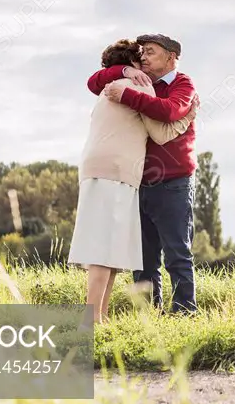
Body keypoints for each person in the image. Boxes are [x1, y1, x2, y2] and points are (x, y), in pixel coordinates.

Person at [70, 39, 197, 324]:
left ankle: (182, 312)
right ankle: (102, 318)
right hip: (121, 174)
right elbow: (161, 133)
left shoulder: (180, 84)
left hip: (162, 178)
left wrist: (123, 82)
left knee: (166, 251)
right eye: (143, 55)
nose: (147, 59)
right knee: (126, 252)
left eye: (151, 52)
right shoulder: (132, 83)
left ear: (171, 57)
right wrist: (189, 117)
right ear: (131, 64)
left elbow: (167, 112)